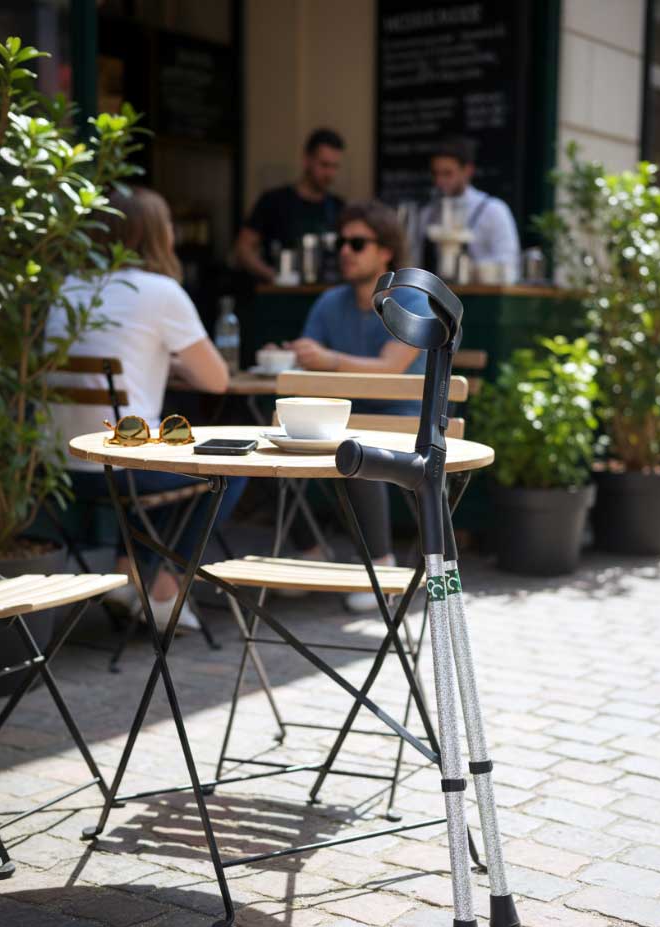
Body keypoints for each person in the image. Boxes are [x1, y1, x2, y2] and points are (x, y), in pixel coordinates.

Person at [47, 186, 244, 632]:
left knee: (154, 441)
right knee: (229, 469)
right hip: (121, 467)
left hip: (59, 467)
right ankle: (164, 588)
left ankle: (127, 576)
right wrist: (169, 355)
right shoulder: (160, 291)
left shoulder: (66, 288)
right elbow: (217, 380)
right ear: (156, 235)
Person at [285, 199, 431, 612]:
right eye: (341, 243)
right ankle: (311, 552)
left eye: (357, 243)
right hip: (341, 416)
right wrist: (297, 354)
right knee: (265, 438)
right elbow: (307, 359)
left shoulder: (412, 301)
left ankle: (381, 570)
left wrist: (327, 359)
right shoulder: (330, 302)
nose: (345, 251)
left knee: (357, 445)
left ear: (385, 251)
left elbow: (391, 367)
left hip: (403, 421)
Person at [233, 128, 345, 282]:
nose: (329, 173)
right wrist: (273, 276)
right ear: (306, 160)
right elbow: (243, 248)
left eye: (335, 167)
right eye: (324, 165)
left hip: (325, 294)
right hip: (281, 296)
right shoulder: (273, 201)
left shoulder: (339, 207)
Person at [417, 135, 520, 275]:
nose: (439, 181)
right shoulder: (427, 213)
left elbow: (509, 263)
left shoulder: (493, 210)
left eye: (447, 174)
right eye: (435, 174)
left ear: (467, 170)